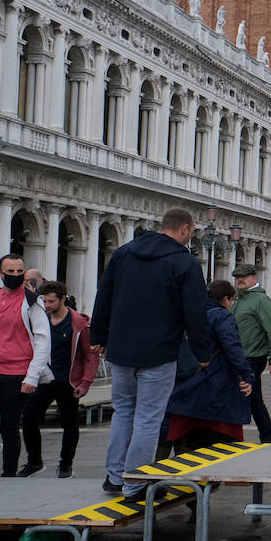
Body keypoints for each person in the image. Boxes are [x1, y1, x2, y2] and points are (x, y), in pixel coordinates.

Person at [91, 209, 212, 499]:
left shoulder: (123, 253)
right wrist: (202, 351)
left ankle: (114, 477)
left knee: (123, 412)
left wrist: (98, 335)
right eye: (192, 233)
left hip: (120, 349)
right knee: (148, 417)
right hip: (159, 351)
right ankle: (137, 482)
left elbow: (103, 294)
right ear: (185, 229)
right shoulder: (184, 262)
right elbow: (195, 312)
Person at [0, 254, 52, 478]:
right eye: (10, 272)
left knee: (9, 427)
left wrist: (32, 376)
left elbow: (43, 340)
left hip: (17, 373)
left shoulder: (32, 301)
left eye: (20, 272)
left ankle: (8, 475)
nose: (16, 276)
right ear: (0, 274)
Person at [19, 281, 97, 477]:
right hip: (44, 378)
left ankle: (66, 464)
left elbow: (89, 355)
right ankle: (34, 462)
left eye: (51, 301)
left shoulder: (78, 323)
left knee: (69, 423)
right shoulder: (39, 319)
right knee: (29, 417)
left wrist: (85, 382)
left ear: (63, 299)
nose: (47, 305)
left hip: (69, 380)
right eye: (44, 301)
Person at [166, 280, 254, 450]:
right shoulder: (222, 315)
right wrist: (247, 374)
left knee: (187, 427)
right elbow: (232, 346)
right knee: (214, 432)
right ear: (226, 299)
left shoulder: (189, 312)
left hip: (185, 377)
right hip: (215, 379)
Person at [231, 264, 271, 443]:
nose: (239, 280)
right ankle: (265, 437)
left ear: (254, 278)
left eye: (243, 277)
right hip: (240, 357)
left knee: (252, 399)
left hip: (253, 357)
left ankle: (267, 438)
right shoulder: (239, 300)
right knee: (252, 399)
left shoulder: (260, 300)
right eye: (237, 277)